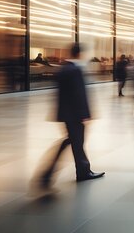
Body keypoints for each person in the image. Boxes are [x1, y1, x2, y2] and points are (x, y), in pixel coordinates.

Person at [39, 43, 104, 188]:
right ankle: (47, 175)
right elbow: (79, 95)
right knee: (75, 142)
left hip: (66, 114)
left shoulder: (63, 68)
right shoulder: (75, 70)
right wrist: (85, 114)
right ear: (80, 54)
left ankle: (83, 171)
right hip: (75, 115)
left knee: (74, 142)